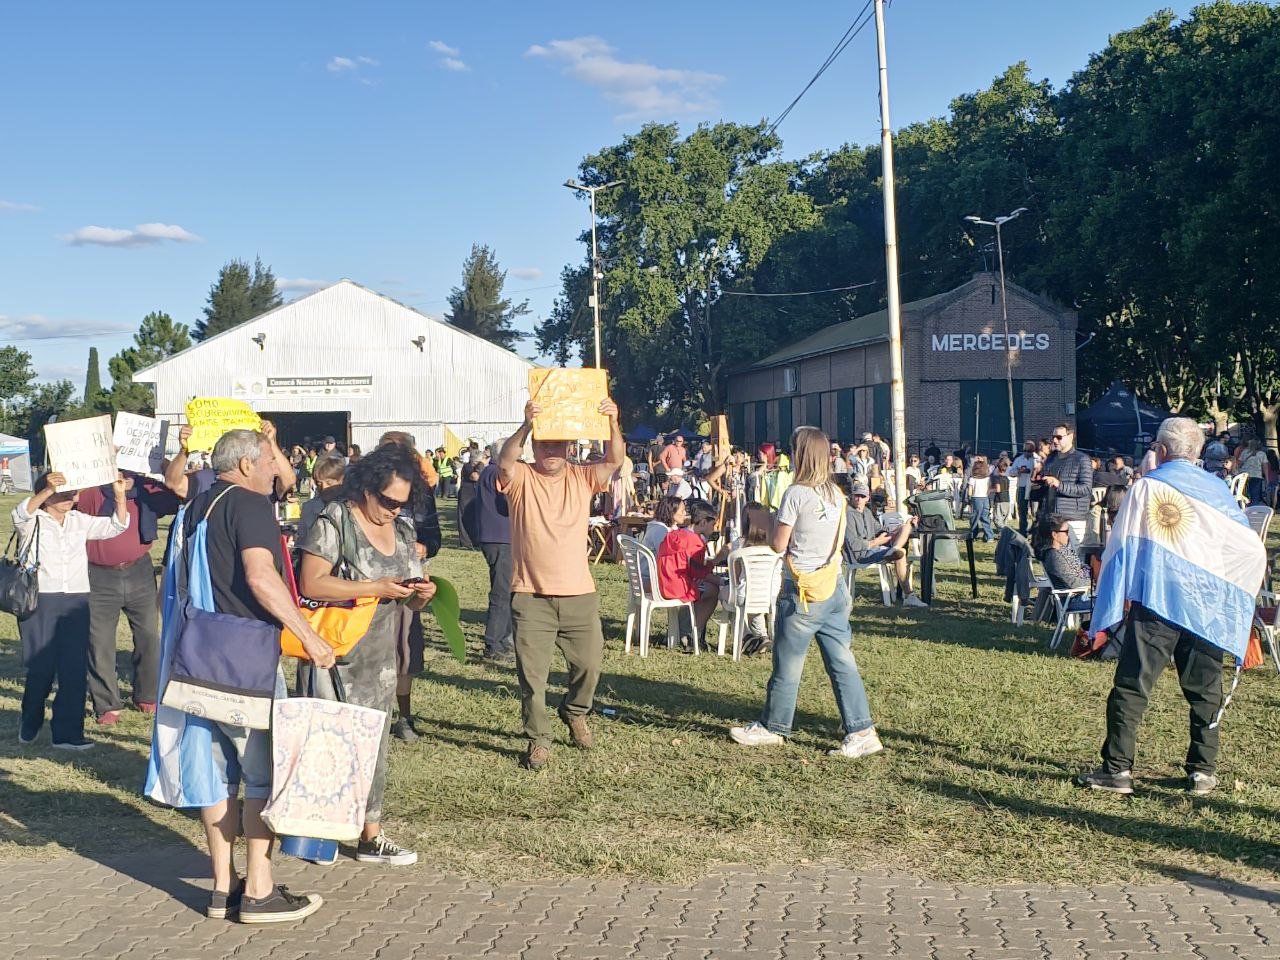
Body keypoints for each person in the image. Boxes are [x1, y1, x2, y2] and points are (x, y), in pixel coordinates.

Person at [165, 429, 330, 922]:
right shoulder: (250, 504)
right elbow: (261, 577)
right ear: (243, 465)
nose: (273, 471)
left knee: (217, 776)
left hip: (196, 658)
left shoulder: (196, 506)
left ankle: (221, 888)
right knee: (262, 774)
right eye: (266, 462)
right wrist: (309, 636)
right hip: (246, 662)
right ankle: (259, 889)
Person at [1077, 417, 1266, 796]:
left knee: (1132, 685)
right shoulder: (1218, 490)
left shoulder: (1148, 487)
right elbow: (1247, 546)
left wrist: (1109, 605)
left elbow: (1121, 545)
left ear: (1161, 450)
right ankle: (1202, 770)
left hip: (1158, 602)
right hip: (1206, 606)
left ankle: (1117, 769)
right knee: (1205, 690)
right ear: (1196, 452)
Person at [297, 444, 436, 865]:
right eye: (388, 501)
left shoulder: (406, 532)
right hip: (334, 654)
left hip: (380, 658)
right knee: (327, 743)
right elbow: (312, 584)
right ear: (367, 488)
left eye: (402, 503)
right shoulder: (335, 520)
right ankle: (316, 835)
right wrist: (372, 589)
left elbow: (409, 600)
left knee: (373, 744)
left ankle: (369, 834)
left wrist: (422, 595)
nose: (395, 510)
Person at [730, 426, 884, 759]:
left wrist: (772, 522)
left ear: (800, 455)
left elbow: (778, 544)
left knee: (788, 664)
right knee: (842, 661)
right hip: (834, 584)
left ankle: (773, 727)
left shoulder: (796, 494)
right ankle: (861, 729)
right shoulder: (835, 494)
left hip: (801, 591)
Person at [497, 395, 623, 771]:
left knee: (589, 666)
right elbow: (504, 459)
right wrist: (526, 424)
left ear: (569, 447)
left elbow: (615, 459)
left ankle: (575, 712)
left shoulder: (582, 476)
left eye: (558, 443)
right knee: (531, 678)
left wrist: (613, 421)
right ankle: (538, 739)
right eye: (544, 442)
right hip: (530, 594)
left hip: (579, 594)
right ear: (535, 445)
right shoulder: (520, 476)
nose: (551, 450)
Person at [15, 470, 130, 750]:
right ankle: (30, 721)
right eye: (63, 493)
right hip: (40, 599)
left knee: (74, 668)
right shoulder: (33, 520)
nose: (70, 498)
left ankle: (67, 733)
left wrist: (119, 495)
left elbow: (117, 526)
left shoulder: (80, 521)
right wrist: (46, 490)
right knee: (41, 668)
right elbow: (20, 513)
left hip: (77, 599)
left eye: (73, 493)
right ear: (47, 495)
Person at [78, 472, 179, 725]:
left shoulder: (145, 487)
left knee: (148, 636)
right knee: (99, 641)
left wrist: (152, 478)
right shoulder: (91, 488)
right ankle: (107, 704)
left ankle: (147, 694)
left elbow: (174, 498)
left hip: (139, 570)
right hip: (98, 574)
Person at [374, 431, 441, 740]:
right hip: (368, 586)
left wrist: (425, 547)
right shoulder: (363, 490)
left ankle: (404, 717)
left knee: (404, 653)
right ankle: (371, 714)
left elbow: (434, 536)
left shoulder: (421, 492)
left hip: (407, 587)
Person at [840, 478, 926, 608]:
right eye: (857, 496)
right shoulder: (848, 515)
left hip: (874, 548)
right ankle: (909, 595)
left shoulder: (867, 512)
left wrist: (897, 529)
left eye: (862, 496)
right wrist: (877, 542)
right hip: (860, 555)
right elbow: (854, 546)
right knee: (900, 554)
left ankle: (895, 548)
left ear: (867, 498)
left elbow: (879, 529)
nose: (859, 499)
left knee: (906, 527)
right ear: (852, 496)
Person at [657, 498, 729, 642]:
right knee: (712, 591)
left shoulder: (674, 534)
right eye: (713, 524)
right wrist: (717, 559)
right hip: (679, 588)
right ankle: (692, 633)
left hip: (663, 583)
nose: (714, 529)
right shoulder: (695, 542)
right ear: (703, 523)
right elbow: (698, 573)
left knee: (708, 587)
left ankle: (683, 631)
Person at [475, 449, 515, 663]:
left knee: (506, 591)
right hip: (501, 538)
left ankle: (503, 639)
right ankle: (494, 644)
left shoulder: (487, 472)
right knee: (501, 593)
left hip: (494, 538)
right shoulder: (496, 473)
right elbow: (506, 502)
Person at [1039, 424, 1093, 546]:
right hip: (1052, 516)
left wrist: (1059, 484)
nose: (1054, 440)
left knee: (1073, 559)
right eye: (1053, 437)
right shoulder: (1051, 459)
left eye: (1059, 437)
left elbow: (1085, 488)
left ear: (1070, 437)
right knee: (1053, 557)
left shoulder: (1082, 459)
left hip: (1073, 519)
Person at [1033, 514, 1091, 593]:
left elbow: (1080, 565)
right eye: (1066, 532)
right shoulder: (1054, 556)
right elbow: (1073, 583)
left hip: (1083, 591)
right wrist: (1095, 581)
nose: (1068, 535)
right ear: (1054, 535)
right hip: (1074, 599)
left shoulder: (1063, 550)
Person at [296, 455, 347, 542]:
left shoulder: (351, 508)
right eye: (319, 484)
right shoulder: (309, 508)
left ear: (341, 481)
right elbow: (302, 538)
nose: (324, 487)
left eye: (329, 483)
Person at [966, 457, 995, 542]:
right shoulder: (987, 479)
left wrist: (969, 499)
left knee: (975, 517)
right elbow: (988, 490)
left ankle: (972, 535)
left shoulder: (972, 479)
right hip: (985, 498)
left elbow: (970, 492)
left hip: (976, 499)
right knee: (985, 517)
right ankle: (989, 536)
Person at [1240, 439, 1266, 505]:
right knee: (1255, 495)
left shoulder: (1244, 452)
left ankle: (1244, 507)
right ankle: (1253, 510)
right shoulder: (1262, 454)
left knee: (1244, 493)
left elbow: (1240, 463)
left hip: (1244, 475)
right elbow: (1264, 466)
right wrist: (1266, 477)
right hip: (1256, 475)